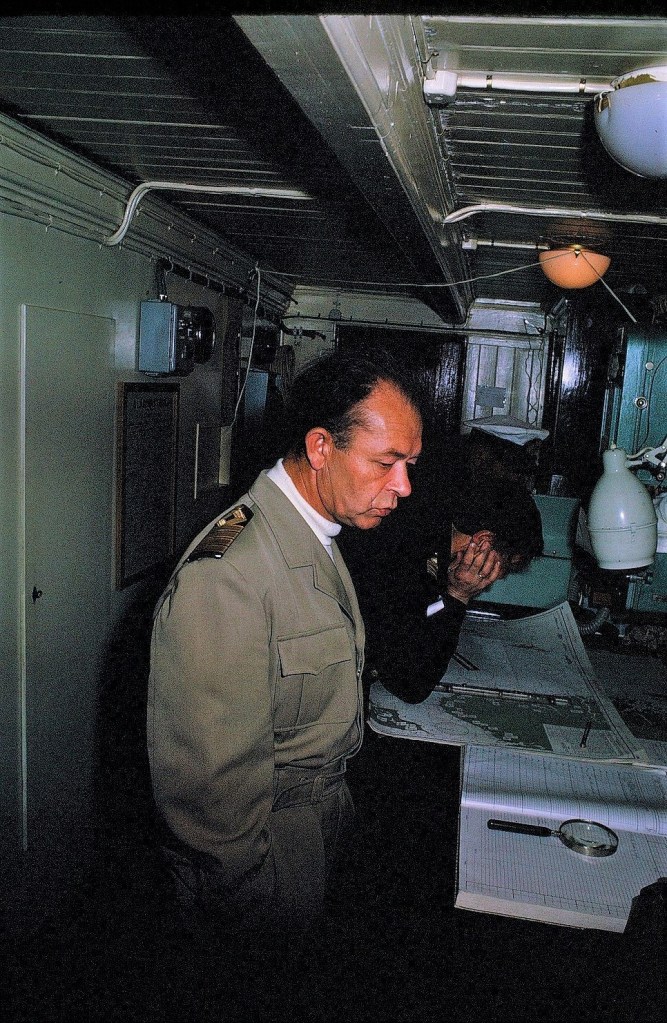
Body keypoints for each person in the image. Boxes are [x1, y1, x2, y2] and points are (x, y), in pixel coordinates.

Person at [146, 351, 423, 965]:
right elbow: (211, 804)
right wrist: (256, 922)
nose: (403, 486)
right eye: (386, 463)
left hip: (314, 833)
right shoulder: (227, 575)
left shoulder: (311, 533)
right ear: (321, 447)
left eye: (409, 464)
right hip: (263, 872)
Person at [338, 452, 544, 705]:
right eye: (506, 567)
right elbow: (411, 683)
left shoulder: (431, 533)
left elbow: (423, 617)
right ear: (483, 542)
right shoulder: (409, 553)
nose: (499, 578)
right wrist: (458, 595)